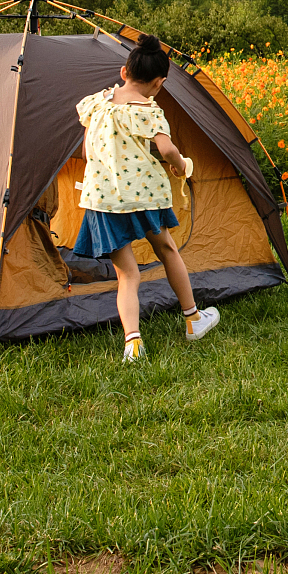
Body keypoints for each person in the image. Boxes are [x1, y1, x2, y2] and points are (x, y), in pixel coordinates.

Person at [74, 35, 221, 362]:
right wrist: (181, 166)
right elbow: (167, 149)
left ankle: (133, 343)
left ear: (123, 72)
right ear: (159, 83)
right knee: (167, 249)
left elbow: (86, 151)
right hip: (143, 197)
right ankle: (194, 319)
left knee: (128, 273)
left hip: (103, 199)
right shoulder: (148, 110)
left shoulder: (96, 103)